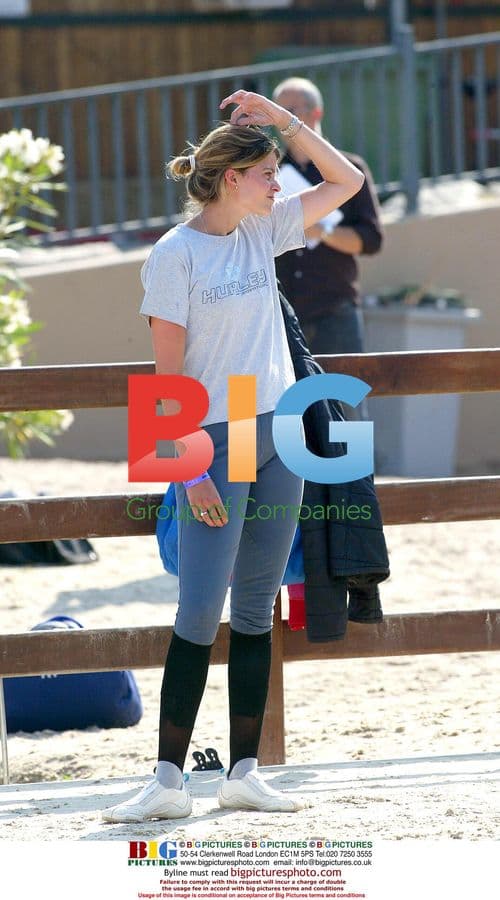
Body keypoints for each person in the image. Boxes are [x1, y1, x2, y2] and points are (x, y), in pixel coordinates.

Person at [102, 89, 364, 823]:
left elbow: (347, 184)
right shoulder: (173, 254)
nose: (280, 185)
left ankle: (244, 773)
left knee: (256, 608)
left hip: (277, 430)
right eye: (269, 173)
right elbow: (164, 376)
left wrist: (282, 122)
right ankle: (165, 782)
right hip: (213, 439)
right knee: (197, 611)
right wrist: (186, 467)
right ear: (230, 179)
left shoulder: (263, 230)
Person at [272, 77, 383, 373]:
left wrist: (321, 231)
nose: (282, 121)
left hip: (334, 311)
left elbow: (371, 240)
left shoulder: (350, 169)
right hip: (281, 314)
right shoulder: (268, 174)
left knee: (348, 411)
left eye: (291, 111)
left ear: (316, 113)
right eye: (277, 111)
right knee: (289, 414)